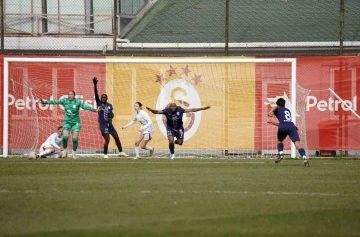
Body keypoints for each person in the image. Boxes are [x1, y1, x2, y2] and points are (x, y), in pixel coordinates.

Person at [40, 90, 100, 159]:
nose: (70, 95)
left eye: (71, 94)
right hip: (67, 122)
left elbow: (85, 106)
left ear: (74, 96)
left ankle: (74, 154)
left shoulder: (78, 102)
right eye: (68, 94)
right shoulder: (64, 100)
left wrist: (94, 110)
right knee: (65, 137)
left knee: (74, 139)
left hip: (76, 123)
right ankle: (64, 151)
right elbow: (55, 102)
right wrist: (45, 102)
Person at [93, 77, 129, 159]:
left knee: (116, 137)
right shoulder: (99, 103)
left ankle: (121, 152)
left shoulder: (109, 105)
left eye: (104, 97)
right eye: (102, 97)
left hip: (110, 125)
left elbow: (111, 114)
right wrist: (95, 85)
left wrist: (111, 116)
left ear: (107, 98)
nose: (103, 98)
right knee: (107, 139)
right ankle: (105, 154)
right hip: (103, 125)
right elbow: (96, 94)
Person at [268, 98, 309, 167]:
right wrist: (274, 123)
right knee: (297, 144)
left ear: (277, 104)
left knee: (279, 140)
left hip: (283, 126)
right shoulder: (287, 110)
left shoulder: (277, 108)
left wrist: (271, 111)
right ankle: (304, 157)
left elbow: (275, 107)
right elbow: (285, 122)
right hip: (291, 126)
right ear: (284, 104)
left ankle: (281, 153)